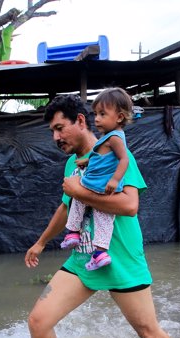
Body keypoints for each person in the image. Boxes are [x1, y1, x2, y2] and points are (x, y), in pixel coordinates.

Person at [24, 94, 174, 338]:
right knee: (38, 322)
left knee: (150, 334)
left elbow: (130, 205)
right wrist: (41, 242)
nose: (56, 138)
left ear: (80, 121)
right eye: (52, 132)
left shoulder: (116, 155)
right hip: (82, 259)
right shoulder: (73, 164)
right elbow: (65, 207)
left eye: (60, 129)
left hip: (120, 259)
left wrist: (79, 192)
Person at [60, 88, 132, 271]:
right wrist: (86, 159)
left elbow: (124, 159)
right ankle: (100, 253)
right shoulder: (108, 137)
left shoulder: (115, 138)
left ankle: (73, 233)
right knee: (104, 219)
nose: (97, 119)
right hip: (102, 186)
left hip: (95, 183)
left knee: (77, 198)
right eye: (96, 114)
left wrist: (115, 180)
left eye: (102, 114)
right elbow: (99, 155)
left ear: (120, 117)